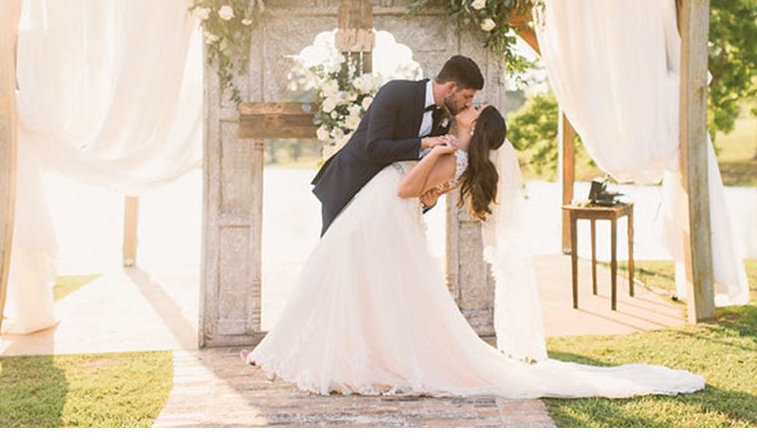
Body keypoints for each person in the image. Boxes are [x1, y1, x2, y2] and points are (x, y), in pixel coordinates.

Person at [242, 105, 705, 399]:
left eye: (476, 109)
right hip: (382, 218)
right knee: (347, 279)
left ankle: (285, 352)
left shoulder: (450, 152)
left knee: (331, 273)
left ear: (475, 127)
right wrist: (430, 167)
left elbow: (407, 188)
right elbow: (427, 197)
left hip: (380, 213)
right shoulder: (460, 159)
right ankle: (288, 351)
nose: (470, 106)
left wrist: (427, 154)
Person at [311, 54, 484, 236]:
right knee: (339, 255)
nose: (468, 103)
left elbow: (420, 169)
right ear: (451, 88)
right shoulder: (396, 92)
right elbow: (375, 148)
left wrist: (428, 201)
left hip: (385, 201)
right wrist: (424, 143)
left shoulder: (442, 119)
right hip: (349, 184)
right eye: (467, 96)